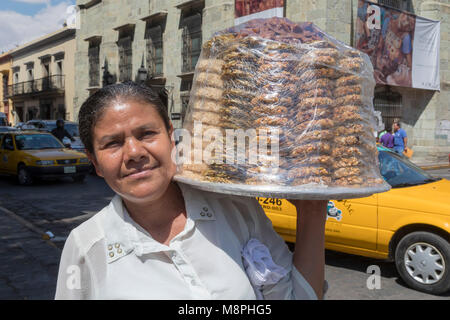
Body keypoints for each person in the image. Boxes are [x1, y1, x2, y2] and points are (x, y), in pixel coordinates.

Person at [55, 82, 328, 300]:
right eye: (113, 143)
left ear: (171, 135)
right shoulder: (86, 247)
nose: (135, 152)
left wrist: (312, 212)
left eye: (147, 133)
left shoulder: (235, 210)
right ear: (95, 163)